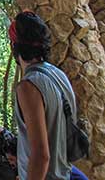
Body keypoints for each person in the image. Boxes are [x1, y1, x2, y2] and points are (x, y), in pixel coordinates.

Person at [11, 11, 84, 180]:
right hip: (64, 173)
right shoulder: (58, 75)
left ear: (13, 45)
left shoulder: (28, 87)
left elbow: (41, 156)